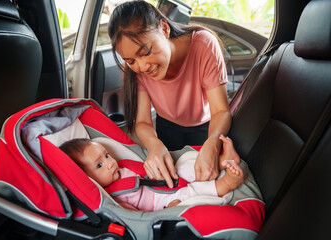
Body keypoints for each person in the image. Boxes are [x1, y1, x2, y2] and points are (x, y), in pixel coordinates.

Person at [108, 0, 231, 188]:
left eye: (146, 52)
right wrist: (154, 145)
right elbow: (142, 122)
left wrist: (213, 143)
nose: (142, 67)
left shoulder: (204, 44)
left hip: (206, 127)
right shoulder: (135, 69)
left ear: (164, 29)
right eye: (131, 61)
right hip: (167, 126)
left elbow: (221, 111)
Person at [59, 135, 244, 211]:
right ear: (88, 179)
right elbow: (132, 216)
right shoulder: (112, 197)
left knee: (186, 162)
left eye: (106, 156)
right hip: (161, 202)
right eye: (99, 165)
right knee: (187, 195)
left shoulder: (120, 167)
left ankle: (223, 161)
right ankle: (226, 183)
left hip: (162, 179)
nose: (109, 163)